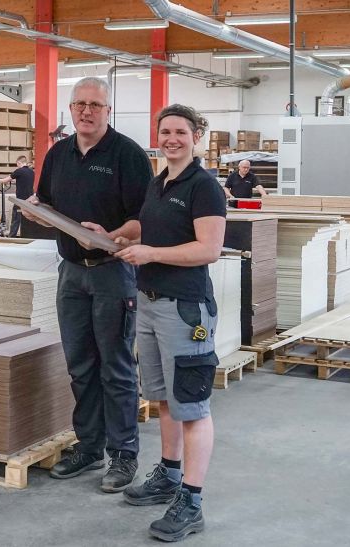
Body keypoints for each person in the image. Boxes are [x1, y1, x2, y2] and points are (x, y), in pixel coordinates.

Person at [22, 77, 153, 493]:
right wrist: (38, 212)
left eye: (95, 105)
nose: (86, 111)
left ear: (107, 110)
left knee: (115, 366)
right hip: (72, 274)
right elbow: (47, 204)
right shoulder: (58, 154)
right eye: (79, 104)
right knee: (79, 364)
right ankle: (90, 446)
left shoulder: (128, 155)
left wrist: (111, 235)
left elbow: (144, 219)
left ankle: (124, 454)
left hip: (113, 272)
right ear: (70, 109)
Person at [113, 104, 226, 542]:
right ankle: (169, 473)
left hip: (185, 309)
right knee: (162, 398)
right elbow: (151, 227)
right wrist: (119, 235)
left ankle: (192, 501)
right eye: (165, 132)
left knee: (191, 407)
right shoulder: (158, 182)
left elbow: (208, 248)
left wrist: (152, 254)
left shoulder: (204, 187)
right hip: (149, 301)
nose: (172, 139)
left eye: (180, 132)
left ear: (196, 136)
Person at [0, 155, 34, 237]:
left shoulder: (19, 171)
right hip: (30, 199)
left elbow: (4, 180)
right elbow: (23, 181)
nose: (17, 166)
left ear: (19, 162)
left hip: (20, 200)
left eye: (17, 164)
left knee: (16, 218)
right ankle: (28, 235)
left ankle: (12, 236)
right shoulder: (31, 172)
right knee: (28, 218)